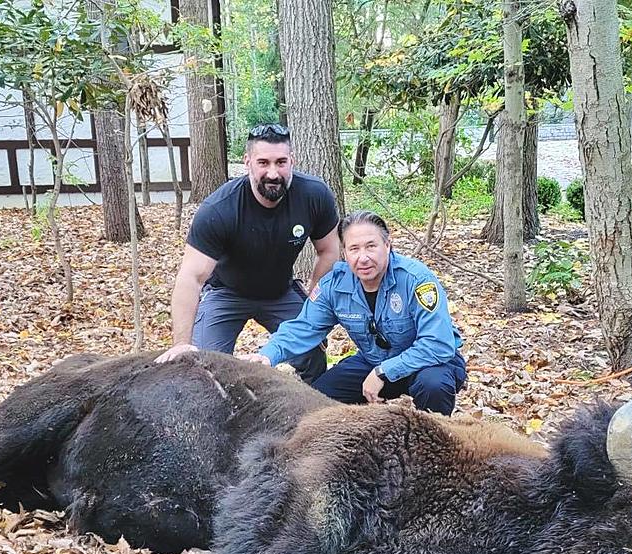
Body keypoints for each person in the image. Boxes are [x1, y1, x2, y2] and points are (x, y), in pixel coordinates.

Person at [155, 123, 340, 382]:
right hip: (226, 293)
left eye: (281, 162)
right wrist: (180, 343)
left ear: (292, 162)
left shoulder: (314, 195)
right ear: (247, 162)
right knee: (204, 368)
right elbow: (190, 278)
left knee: (313, 354)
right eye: (263, 162)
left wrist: (313, 298)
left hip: (280, 292)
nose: (273, 173)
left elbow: (330, 251)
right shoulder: (219, 209)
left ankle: (314, 416)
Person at [244, 210, 467, 414]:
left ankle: (432, 450)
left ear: (388, 245)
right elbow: (304, 328)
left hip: (429, 364)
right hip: (373, 360)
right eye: (354, 249)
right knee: (318, 398)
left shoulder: (416, 279)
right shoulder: (335, 285)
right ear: (344, 253)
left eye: (371, 246)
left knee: (434, 385)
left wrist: (383, 371)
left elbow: (438, 344)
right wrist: (267, 355)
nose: (363, 257)